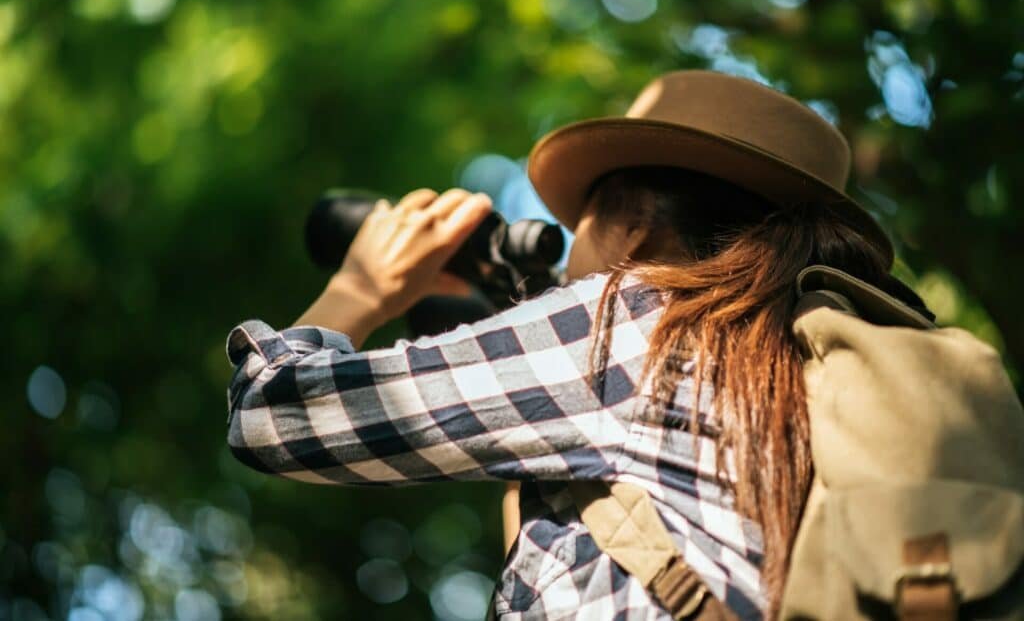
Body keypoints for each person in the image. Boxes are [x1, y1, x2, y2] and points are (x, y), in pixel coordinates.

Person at [223, 70, 905, 619]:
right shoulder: (806, 367)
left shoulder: (636, 321)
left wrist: (364, 286)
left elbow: (269, 416)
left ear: (634, 225)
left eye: (576, 223)